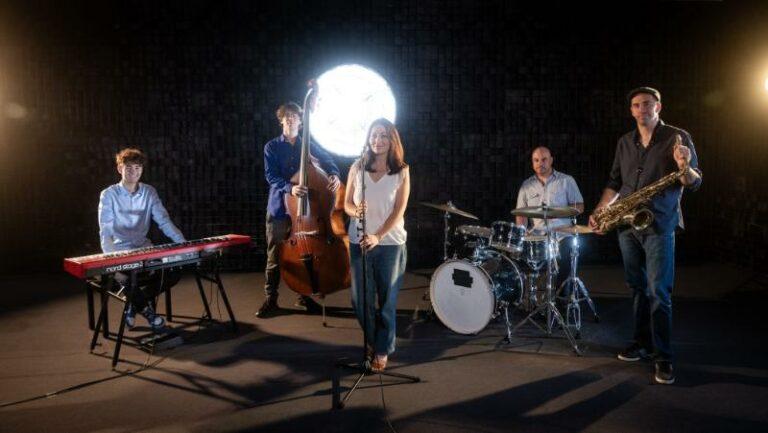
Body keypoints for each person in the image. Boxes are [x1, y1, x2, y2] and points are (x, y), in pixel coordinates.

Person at [589, 87, 702, 385]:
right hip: (627, 224)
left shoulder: (678, 137)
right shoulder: (625, 141)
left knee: (658, 293)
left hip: (659, 224)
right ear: (631, 110)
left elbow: (693, 182)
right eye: (636, 105)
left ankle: (664, 357)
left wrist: (684, 166)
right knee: (636, 288)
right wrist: (601, 209)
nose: (642, 109)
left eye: (648, 104)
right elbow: (615, 182)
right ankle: (641, 343)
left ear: (658, 107)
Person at [257, 102, 341, 318]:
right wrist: (290, 188)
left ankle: (303, 296)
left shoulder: (308, 145)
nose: (290, 119)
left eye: (294, 115)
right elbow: (271, 176)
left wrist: (334, 174)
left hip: (305, 213)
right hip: (279, 209)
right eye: (287, 116)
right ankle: (270, 299)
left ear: (301, 122)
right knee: (274, 256)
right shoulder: (272, 147)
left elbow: (329, 160)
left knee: (304, 252)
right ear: (281, 120)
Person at [344, 118, 410, 373]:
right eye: (373, 135)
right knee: (359, 301)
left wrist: (378, 236)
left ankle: (381, 350)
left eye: (383, 135)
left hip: (390, 243)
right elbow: (347, 204)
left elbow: (398, 210)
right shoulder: (357, 167)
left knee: (386, 302)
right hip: (359, 241)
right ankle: (375, 342)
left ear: (392, 140)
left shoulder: (402, 171)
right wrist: (355, 210)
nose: (377, 140)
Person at [98, 148, 185, 329]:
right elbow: (105, 229)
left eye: (138, 168)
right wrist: (112, 259)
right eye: (129, 168)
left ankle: (133, 305)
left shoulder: (149, 192)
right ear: (120, 169)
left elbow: (164, 221)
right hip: (119, 250)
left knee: (173, 273)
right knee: (126, 278)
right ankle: (149, 314)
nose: (134, 172)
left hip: (144, 248)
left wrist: (183, 244)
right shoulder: (108, 194)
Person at [515, 146, 584, 293]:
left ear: (551, 160)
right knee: (520, 259)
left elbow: (579, 206)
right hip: (537, 236)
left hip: (562, 235)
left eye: (544, 159)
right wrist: (522, 232)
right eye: (536, 160)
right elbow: (521, 214)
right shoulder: (526, 185)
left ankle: (561, 298)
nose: (540, 163)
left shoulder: (566, 180)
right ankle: (533, 297)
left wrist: (558, 213)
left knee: (565, 260)